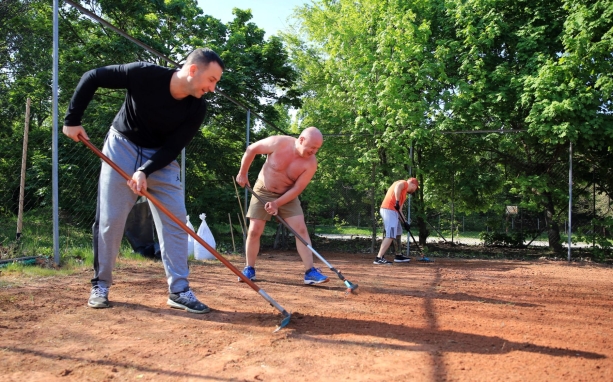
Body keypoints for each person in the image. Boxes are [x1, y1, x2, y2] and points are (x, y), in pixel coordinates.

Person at [62, 48, 224, 313]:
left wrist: (145, 171)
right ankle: (100, 285)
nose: (213, 88)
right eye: (212, 80)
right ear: (193, 70)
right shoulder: (143, 74)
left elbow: (173, 148)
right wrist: (72, 120)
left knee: (175, 220)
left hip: (160, 159)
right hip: (121, 146)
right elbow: (92, 77)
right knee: (111, 220)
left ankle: (179, 290)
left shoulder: (197, 107)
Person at [235, 127, 329, 285]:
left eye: (317, 149)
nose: (314, 151)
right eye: (312, 147)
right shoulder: (279, 142)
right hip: (263, 190)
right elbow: (251, 149)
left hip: (287, 195)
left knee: (300, 229)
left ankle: (310, 272)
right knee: (255, 229)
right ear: (301, 140)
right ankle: (249, 268)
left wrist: (277, 203)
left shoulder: (311, 163)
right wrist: (243, 173)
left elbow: (297, 189)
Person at [374, 177, 419, 265]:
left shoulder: (404, 194)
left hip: (393, 212)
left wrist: (405, 222)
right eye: (416, 188)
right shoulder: (404, 183)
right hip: (388, 210)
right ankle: (379, 258)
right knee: (390, 234)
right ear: (413, 185)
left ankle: (398, 255)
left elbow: (400, 211)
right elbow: (397, 186)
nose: (415, 190)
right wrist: (397, 201)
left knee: (398, 231)